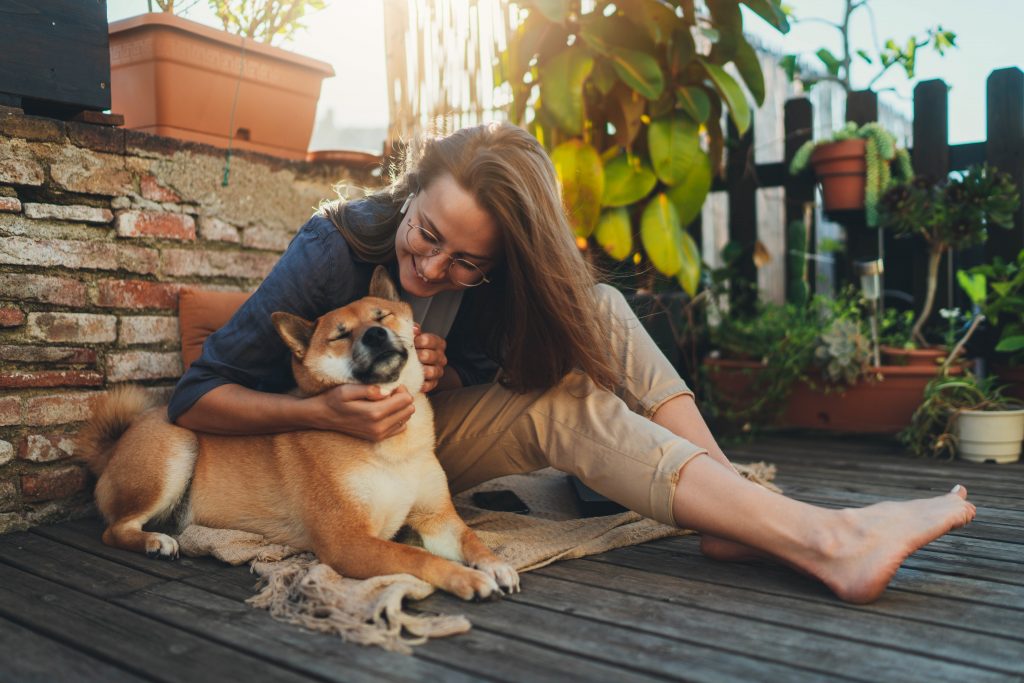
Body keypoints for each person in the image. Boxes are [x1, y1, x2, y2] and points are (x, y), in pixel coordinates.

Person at [169, 122, 976, 605]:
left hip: (428, 444)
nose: (432, 268)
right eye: (426, 236)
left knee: (605, 311)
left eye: (467, 262)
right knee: (569, 407)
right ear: (407, 194)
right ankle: (827, 538)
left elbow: (507, 363)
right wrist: (319, 409)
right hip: (327, 452)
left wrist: (443, 378)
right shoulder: (333, 246)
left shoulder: (500, 277)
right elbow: (195, 397)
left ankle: (737, 504)